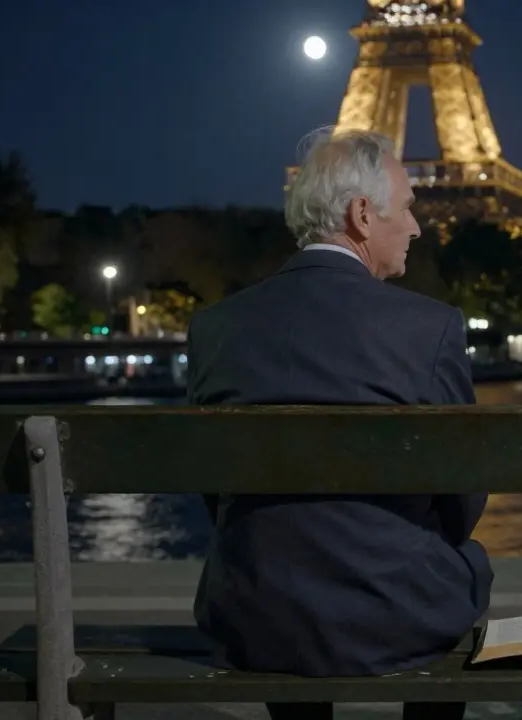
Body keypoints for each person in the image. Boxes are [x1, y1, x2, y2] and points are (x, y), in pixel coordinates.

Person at [187, 127, 491, 720]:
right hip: (394, 613)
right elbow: (463, 494)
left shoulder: (215, 328)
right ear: (362, 214)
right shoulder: (428, 328)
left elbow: (213, 490)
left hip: (253, 612)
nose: (417, 227)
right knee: (462, 564)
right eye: (407, 208)